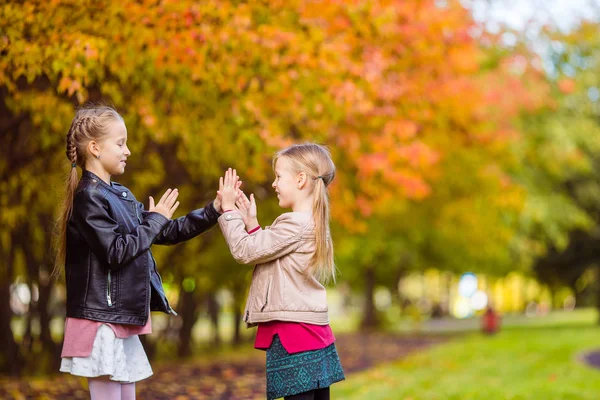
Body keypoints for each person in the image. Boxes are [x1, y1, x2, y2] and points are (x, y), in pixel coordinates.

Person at [54, 105, 225, 399]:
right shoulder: (89, 198)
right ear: (94, 148)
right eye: (120, 143)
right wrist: (155, 218)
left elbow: (165, 232)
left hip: (117, 319)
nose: (128, 151)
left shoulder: (119, 194)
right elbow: (116, 251)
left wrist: (214, 210)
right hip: (100, 321)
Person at [217, 143, 345, 400]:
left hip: (293, 336)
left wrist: (228, 210)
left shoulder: (294, 223)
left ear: (300, 180)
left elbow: (245, 251)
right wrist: (252, 224)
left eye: (278, 177)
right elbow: (272, 255)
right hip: (311, 332)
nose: (274, 184)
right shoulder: (312, 222)